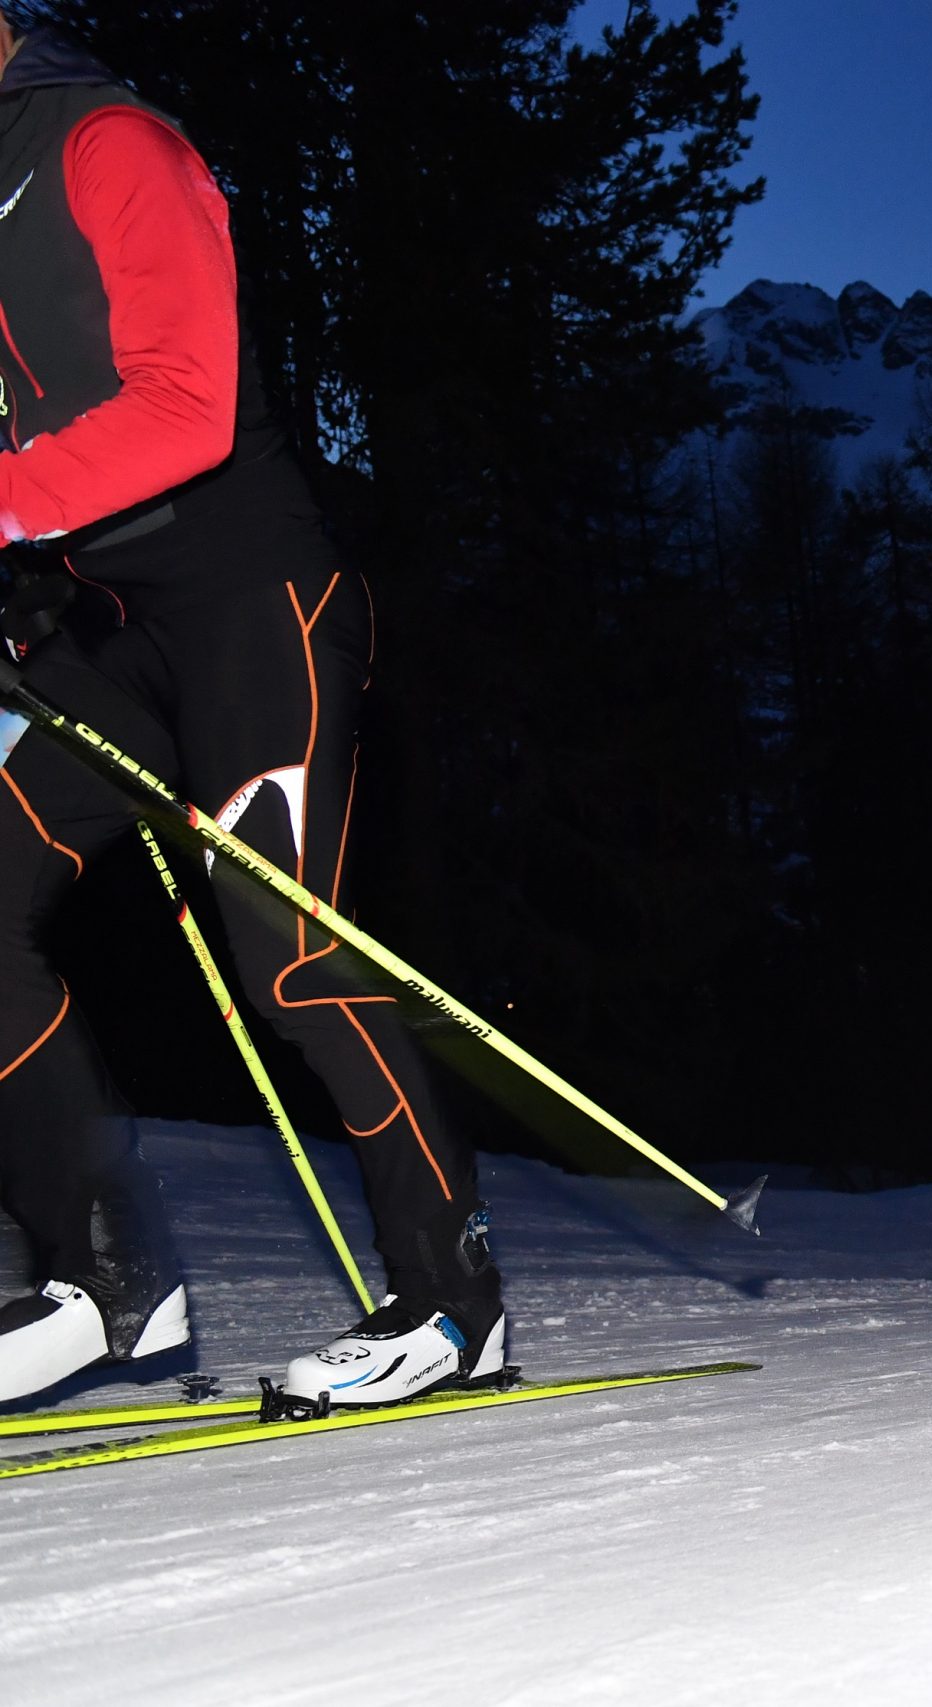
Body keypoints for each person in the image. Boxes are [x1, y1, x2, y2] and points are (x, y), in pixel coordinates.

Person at [0, 19, 504, 1408]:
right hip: (110, 637)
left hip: (252, 609)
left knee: (287, 952)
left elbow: (185, 408)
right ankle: (107, 1282)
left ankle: (453, 1300)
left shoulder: (108, 145)